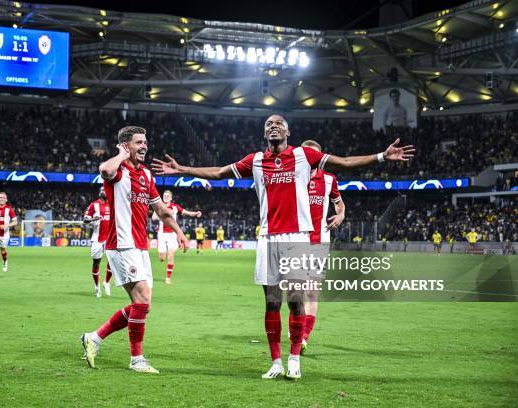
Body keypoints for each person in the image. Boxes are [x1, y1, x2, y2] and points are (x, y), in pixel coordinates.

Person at [152, 114, 414, 380]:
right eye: (268, 124)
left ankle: (295, 358)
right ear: (264, 133)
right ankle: (276, 361)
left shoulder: (304, 155)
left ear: (288, 131)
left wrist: (382, 156)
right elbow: (219, 172)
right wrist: (183, 169)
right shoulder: (254, 160)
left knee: (296, 300)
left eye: (278, 123)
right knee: (271, 303)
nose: (273, 126)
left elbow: (345, 163)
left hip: (297, 238)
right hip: (268, 238)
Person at [81, 126, 189, 374]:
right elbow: (104, 170)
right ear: (126, 145)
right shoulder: (118, 171)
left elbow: (161, 210)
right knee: (141, 302)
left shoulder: (147, 175)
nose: (144, 146)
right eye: (138, 142)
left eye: (145, 142)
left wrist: (180, 232)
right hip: (121, 244)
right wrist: (120, 154)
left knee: (144, 305)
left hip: (140, 246)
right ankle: (136, 359)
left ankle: (94, 338)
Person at [300, 140, 345, 354]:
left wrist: (341, 214)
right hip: (294, 240)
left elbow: (339, 204)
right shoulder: (293, 179)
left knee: (312, 291)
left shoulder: (329, 180)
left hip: (319, 241)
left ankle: (303, 337)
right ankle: (296, 328)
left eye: (316, 156)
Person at [151, 190, 201, 284]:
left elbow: (186, 212)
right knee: (162, 258)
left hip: (172, 235)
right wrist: (157, 210)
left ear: (170, 198)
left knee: (171, 255)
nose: (165, 197)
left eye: (167, 196)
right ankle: (175, 247)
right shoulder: (159, 206)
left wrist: (196, 213)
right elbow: (153, 218)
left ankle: (168, 278)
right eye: (164, 195)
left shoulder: (175, 207)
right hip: (161, 234)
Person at [83, 187, 112, 298]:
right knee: (96, 263)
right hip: (97, 239)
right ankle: (97, 286)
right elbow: (85, 220)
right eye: (105, 190)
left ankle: (107, 282)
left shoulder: (113, 203)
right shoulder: (94, 205)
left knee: (113, 262)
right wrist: (93, 219)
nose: (107, 192)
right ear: (100, 193)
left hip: (111, 238)